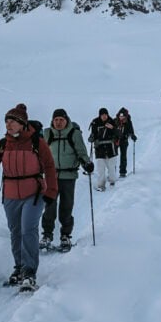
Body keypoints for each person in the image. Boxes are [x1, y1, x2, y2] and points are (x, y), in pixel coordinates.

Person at [0, 103, 58, 290]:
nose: (9, 124)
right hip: (10, 194)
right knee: (15, 231)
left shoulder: (37, 142)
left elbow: (50, 166)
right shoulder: (3, 144)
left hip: (34, 194)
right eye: (7, 121)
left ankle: (29, 272)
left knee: (28, 229)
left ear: (22, 124)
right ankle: (19, 267)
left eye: (13, 121)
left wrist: (51, 191)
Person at [41, 108, 94, 252]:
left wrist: (87, 163)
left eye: (61, 120)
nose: (58, 123)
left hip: (68, 176)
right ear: (52, 121)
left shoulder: (74, 134)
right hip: (51, 176)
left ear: (66, 120)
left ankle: (65, 235)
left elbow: (81, 152)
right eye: (56, 120)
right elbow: (41, 153)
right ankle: (46, 235)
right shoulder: (47, 134)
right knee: (49, 206)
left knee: (66, 206)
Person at [88, 108, 118, 191]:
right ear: (100, 115)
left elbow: (119, 134)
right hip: (100, 149)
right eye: (102, 115)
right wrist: (91, 138)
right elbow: (93, 134)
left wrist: (112, 128)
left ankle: (112, 181)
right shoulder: (95, 123)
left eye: (105, 114)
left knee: (111, 167)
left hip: (111, 149)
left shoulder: (112, 122)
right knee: (100, 168)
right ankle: (101, 184)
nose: (104, 116)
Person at [114, 107, 138, 177]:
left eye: (123, 116)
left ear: (126, 116)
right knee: (113, 156)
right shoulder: (115, 121)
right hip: (115, 140)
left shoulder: (128, 122)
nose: (121, 118)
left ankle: (122, 172)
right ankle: (112, 172)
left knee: (123, 156)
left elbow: (131, 131)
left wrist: (132, 136)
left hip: (124, 140)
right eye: (120, 116)